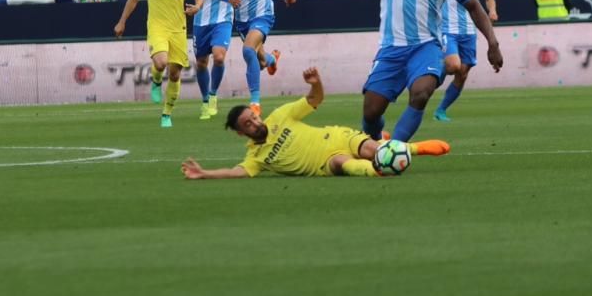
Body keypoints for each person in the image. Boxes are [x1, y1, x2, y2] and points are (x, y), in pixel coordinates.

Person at [311, 0, 502, 141]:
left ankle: (395, 149)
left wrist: (493, 43)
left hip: (426, 47)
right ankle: (376, 142)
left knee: (420, 94)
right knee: (371, 112)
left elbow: (474, 6)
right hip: (391, 49)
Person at [181, 67, 451, 180]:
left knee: (371, 149)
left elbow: (315, 99)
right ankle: (383, 164)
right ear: (242, 134)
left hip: (337, 137)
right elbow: (236, 172)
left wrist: (315, 83)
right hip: (326, 162)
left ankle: (413, 148)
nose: (255, 122)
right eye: (248, 124)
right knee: (348, 165)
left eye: (253, 117)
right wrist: (205, 174)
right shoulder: (257, 157)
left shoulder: (280, 116)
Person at [114, 0, 203, 127]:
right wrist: (122, 22)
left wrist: (197, 7)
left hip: (178, 29)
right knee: (161, 63)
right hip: (157, 27)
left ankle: (166, 114)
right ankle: (155, 79)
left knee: (174, 75)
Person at [212, 0, 295, 114]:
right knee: (261, 62)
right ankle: (272, 59)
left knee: (248, 50)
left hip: (263, 14)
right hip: (242, 20)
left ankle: (255, 103)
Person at [432, 0, 497, 122]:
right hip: (446, 28)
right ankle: (431, 76)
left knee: (462, 73)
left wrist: (492, 10)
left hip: (469, 31)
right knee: (453, 65)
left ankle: (441, 110)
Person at [188, 0, 234, 120]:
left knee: (219, 57)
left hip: (223, 18)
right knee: (201, 63)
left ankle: (213, 94)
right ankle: (205, 100)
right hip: (201, 20)